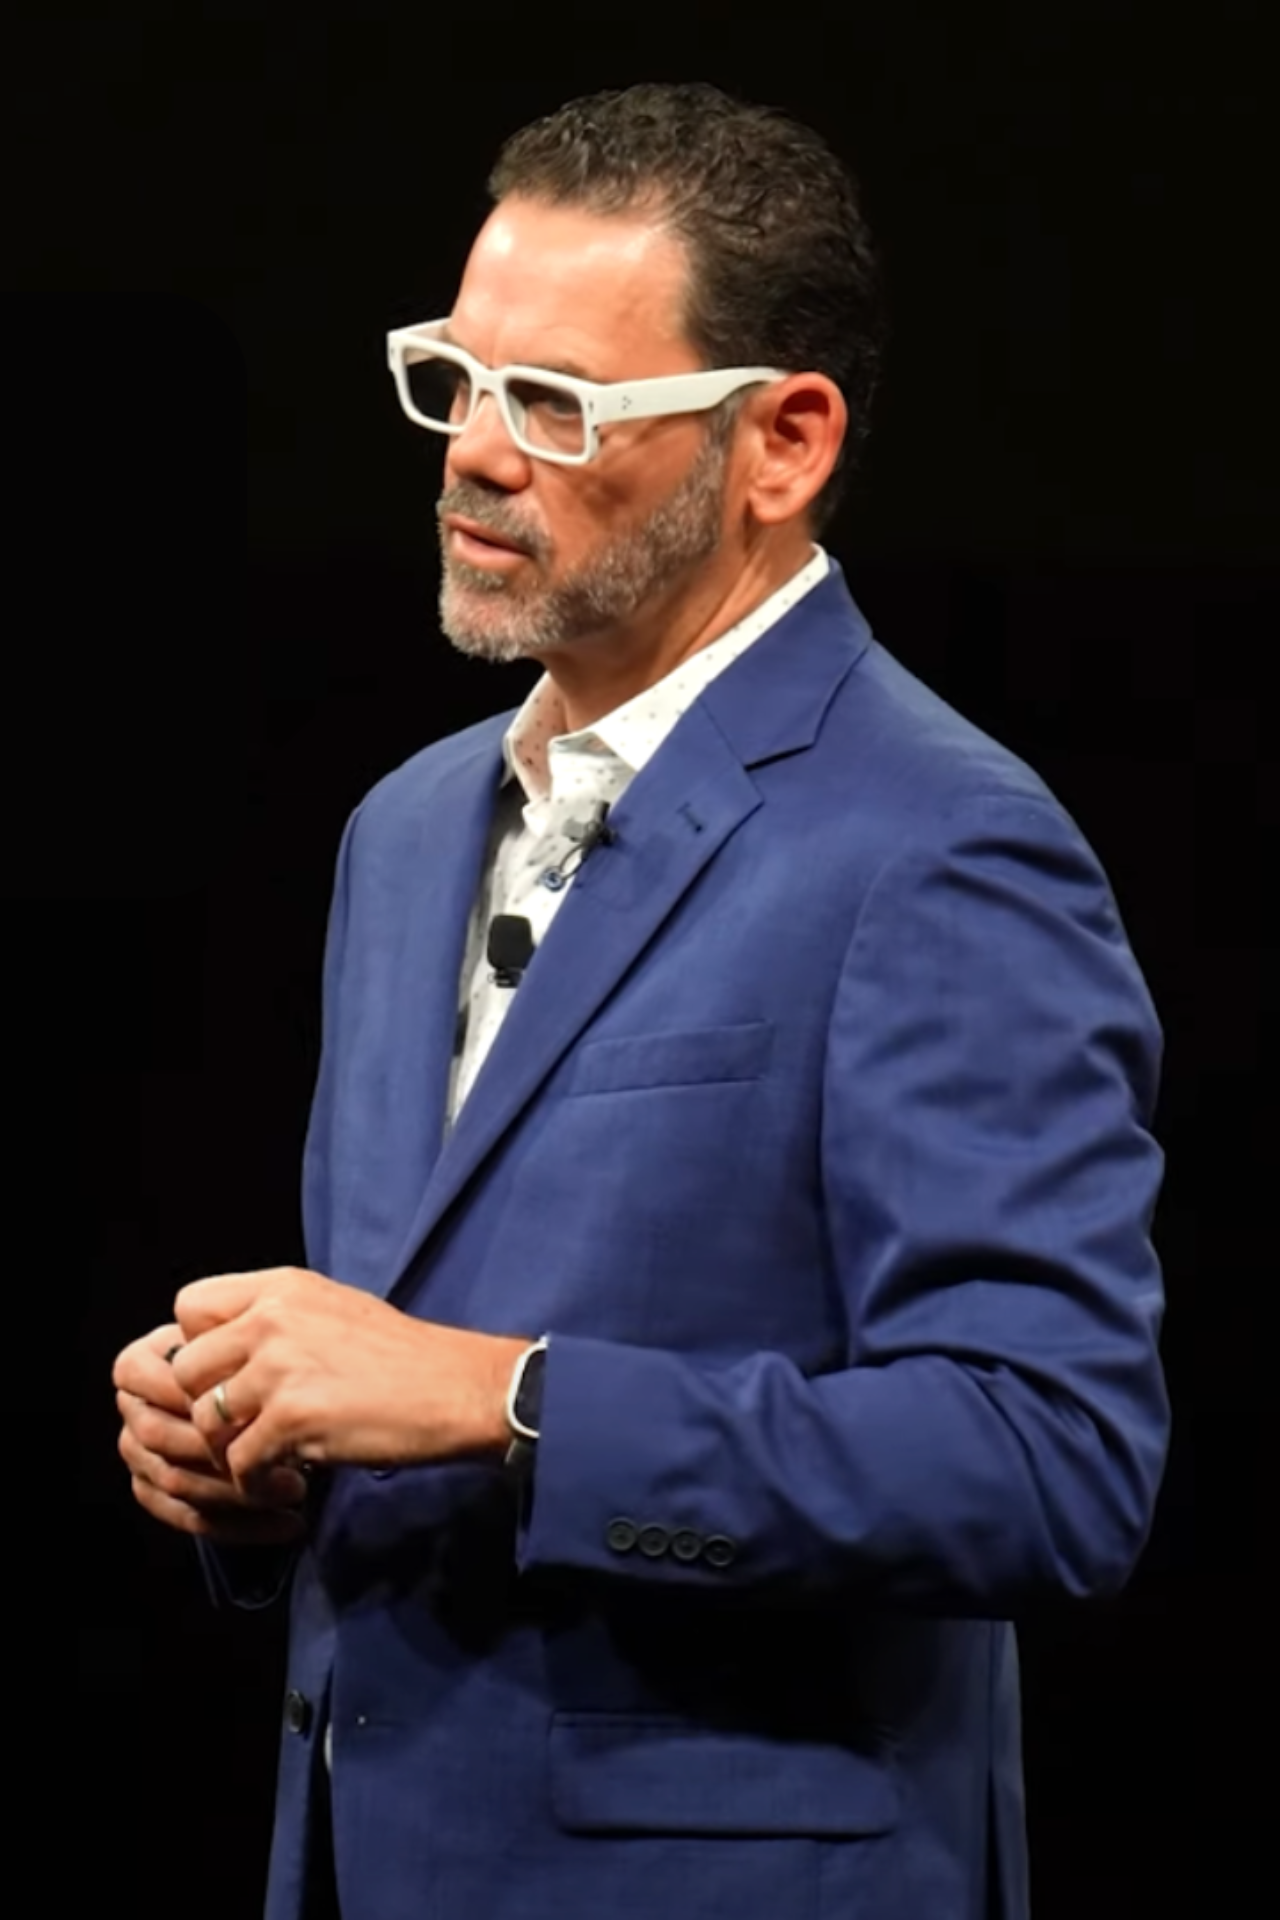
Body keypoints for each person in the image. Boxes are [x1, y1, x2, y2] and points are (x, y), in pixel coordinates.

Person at [114, 83, 1169, 1920]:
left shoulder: (940, 844)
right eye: (456, 377)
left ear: (783, 441)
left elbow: (1048, 1461)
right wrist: (258, 1453)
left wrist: (508, 1400)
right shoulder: (404, 826)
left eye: (556, 403)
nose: (473, 453)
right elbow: (398, 1397)